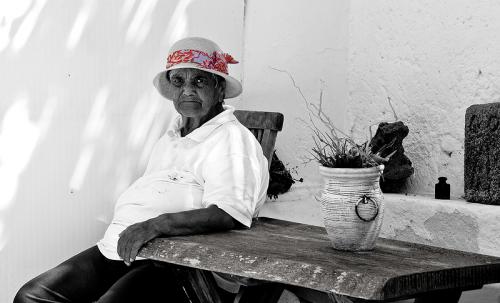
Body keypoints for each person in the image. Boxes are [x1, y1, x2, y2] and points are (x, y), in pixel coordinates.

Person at [14, 37, 269, 303]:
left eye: (200, 81)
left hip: (174, 261)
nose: (188, 90)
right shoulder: (171, 137)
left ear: (220, 90)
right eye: (179, 81)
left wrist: (155, 225)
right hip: (121, 248)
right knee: (32, 297)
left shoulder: (231, 138)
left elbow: (229, 214)